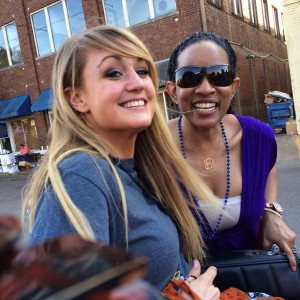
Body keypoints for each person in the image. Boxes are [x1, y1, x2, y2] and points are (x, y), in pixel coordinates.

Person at [22, 25, 222, 299]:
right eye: (113, 73)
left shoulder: (140, 168)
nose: (137, 83)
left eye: (142, 71)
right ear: (77, 98)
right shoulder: (81, 175)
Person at [165, 31, 297, 271]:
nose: (205, 88)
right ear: (173, 91)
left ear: (233, 86)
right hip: (181, 288)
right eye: (189, 77)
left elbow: (270, 173)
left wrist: (271, 213)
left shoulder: (260, 138)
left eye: (219, 75)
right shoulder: (150, 148)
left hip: (250, 281)